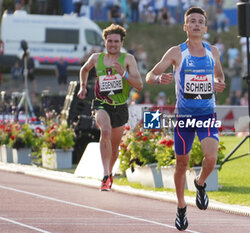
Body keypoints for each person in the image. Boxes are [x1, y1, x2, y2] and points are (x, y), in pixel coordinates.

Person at [145, 7, 225, 231]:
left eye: (201, 21)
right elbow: (150, 75)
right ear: (185, 27)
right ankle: (181, 207)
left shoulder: (213, 51)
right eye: (192, 21)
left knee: (211, 158)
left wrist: (219, 81)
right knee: (182, 164)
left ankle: (200, 184)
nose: (197, 24)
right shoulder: (176, 52)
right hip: (184, 117)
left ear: (206, 28)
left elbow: (219, 74)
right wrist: (160, 79)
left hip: (207, 114)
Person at [77, 24, 143, 191]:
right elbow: (84, 70)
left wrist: (124, 74)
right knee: (104, 131)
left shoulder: (128, 59)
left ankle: (110, 172)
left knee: (114, 150)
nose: (112, 44)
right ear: (104, 41)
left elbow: (139, 85)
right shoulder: (96, 58)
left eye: (116, 41)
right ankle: (105, 174)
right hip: (101, 103)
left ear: (121, 43)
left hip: (120, 107)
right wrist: (83, 87)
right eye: (109, 41)